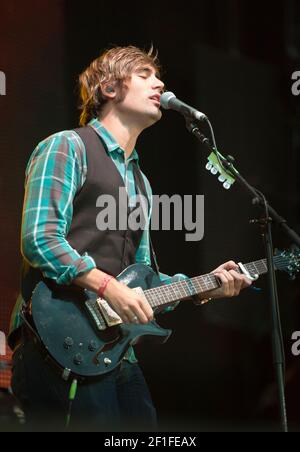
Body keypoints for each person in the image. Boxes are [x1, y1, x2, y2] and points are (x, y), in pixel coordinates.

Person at [8, 45, 252, 431]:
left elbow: (142, 281)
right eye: (144, 74)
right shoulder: (68, 147)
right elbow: (40, 240)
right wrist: (107, 286)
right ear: (108, 87)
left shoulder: (142, 184)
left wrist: (206, 287)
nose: (160, 83)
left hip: (115, 353)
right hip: (57, 342)